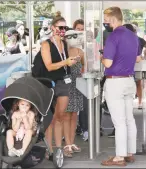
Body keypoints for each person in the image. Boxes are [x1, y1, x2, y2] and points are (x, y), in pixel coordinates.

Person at [100, 7, 141, 166]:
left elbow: (108, 62)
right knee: (129, 119)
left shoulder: (112, 37)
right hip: (129, 80)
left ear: (112, 19)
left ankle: (119, 156)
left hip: (115, 81)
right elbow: (138, 59)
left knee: (119, 121)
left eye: (106, 19)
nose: (105, 22)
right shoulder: (133, 36)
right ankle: (130, 152)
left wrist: (101, 57)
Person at [40, 11, 77, 160]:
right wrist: (66, 62)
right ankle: (49, 149)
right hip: (49, 83)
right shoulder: (46, 44)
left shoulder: (65, 43)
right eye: (60, 27)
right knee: (51, 118)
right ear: (52, 27)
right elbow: (49, 66)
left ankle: (60, 148)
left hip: (63, 81)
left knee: (61, 116)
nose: (62, 31)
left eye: (64, 28)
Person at [62, 29, 84, 157]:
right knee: (66, 115)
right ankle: (67, 143)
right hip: (65, 85)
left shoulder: (80, 52)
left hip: (77, 85)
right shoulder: (62, 53)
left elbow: (85, 66)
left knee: (74, 115)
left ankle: (72, 141)